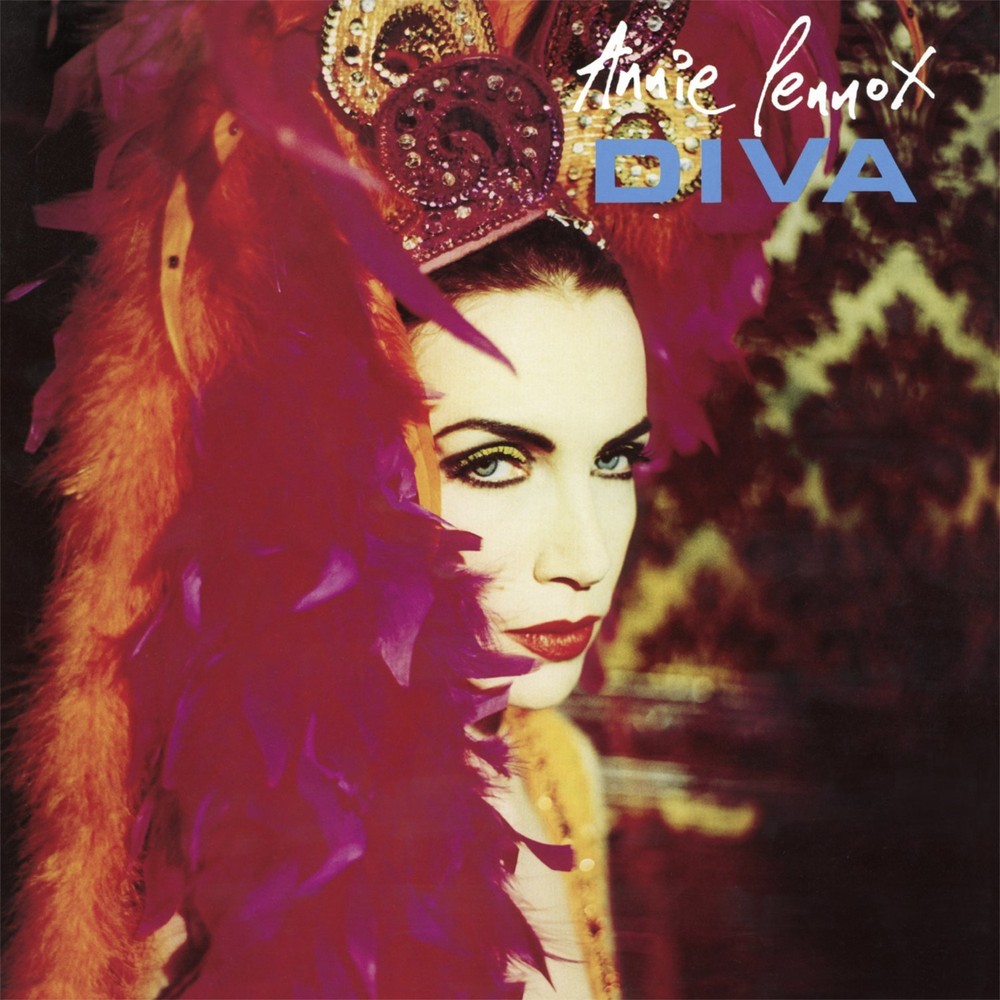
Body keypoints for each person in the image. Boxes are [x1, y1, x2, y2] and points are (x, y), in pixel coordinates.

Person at [5, 2, 838, 997]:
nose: (583, 555)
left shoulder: (550, 766)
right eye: (495, 463)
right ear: (346, 472)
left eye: (616, 460)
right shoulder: (202, 899)